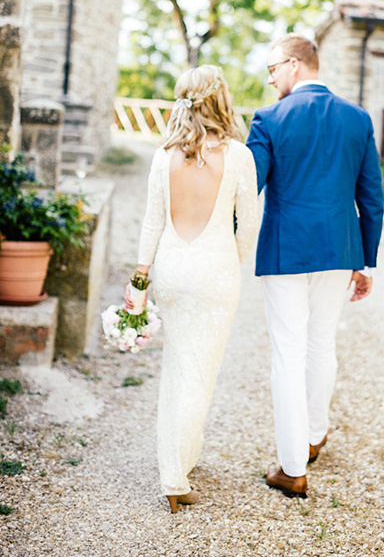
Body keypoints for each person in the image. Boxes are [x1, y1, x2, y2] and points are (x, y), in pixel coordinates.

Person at [246, 34, 384, 498]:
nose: (270, 79)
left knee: (288, 352)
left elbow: (250, 188)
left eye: (272, 69)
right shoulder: (357, 118)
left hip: (286, 250)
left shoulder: (268, 119)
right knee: (321, 343)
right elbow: (371, 198)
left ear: (294, 65)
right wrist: (366, 262)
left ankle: (292, 467)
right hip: (340, 249)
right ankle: (313, 435)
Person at [126, 65, 258, 513]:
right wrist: (233, 259)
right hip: (216, 270)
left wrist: (140, 278)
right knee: (200, 374)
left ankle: (182, 457)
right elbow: (249, 227)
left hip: (172, 270)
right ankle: (175, 476)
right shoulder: (240, 156)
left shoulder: (164, 157)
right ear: (221, 100)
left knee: (178, 366)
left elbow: (152, 223)